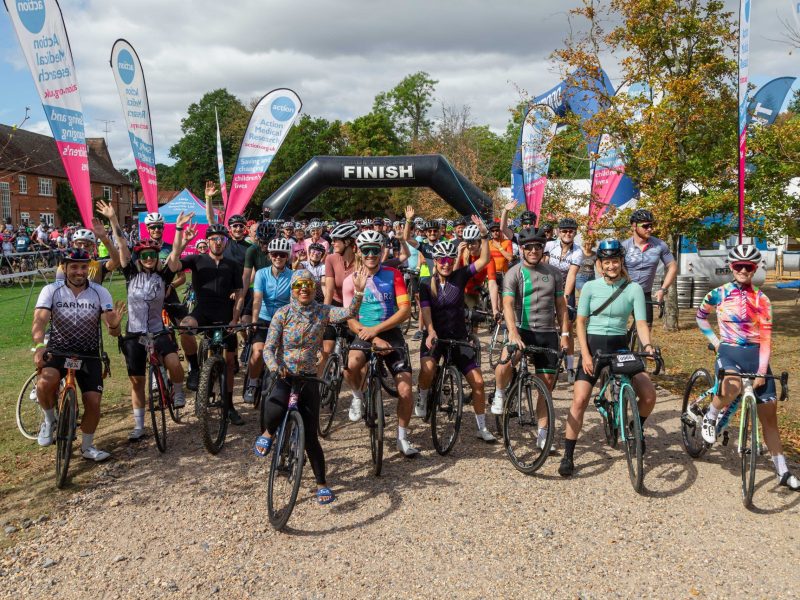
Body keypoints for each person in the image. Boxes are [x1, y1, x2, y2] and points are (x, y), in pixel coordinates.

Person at [253, 268, 368, 504]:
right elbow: (269, 348)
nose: (303, 289)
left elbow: (349, 313)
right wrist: (275, 367)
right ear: (293, 290)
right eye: (298, 285)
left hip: (308, 378)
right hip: (285, 374)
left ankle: (321, 484)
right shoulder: (282, 314)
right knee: (273, 411)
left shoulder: (323, 312)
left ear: (314, 288)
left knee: (312, 437)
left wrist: (358, 291)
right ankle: (268, 433)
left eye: (308, 284)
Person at [695, 244, 799, 490]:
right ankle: (710, 416)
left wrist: (762, 372)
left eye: (748, 267)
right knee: (730, 387)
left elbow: (766, 338)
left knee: (770, 418)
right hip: (729, 351)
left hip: (756, 356)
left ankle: (782, 471)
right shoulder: (717, 293)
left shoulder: (762, 299)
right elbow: (701, 317)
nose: (743, 270)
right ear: (731, 267)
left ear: (754, 269)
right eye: (738, 266)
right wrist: (716, 342)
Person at [560, 239, 656, 477]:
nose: (611, 266)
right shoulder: (591, 287)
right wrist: (585, 355)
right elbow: (580, 323)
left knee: (649, 394)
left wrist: (648, 345)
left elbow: (641, 323)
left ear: (621, 262)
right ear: (600, 264)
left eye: (615, 261)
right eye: (606, 262)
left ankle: (636, 429)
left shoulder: (633, 289)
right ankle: (568, 455)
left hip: (621, 348)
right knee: (580, 400)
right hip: (594, 348)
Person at [31, 249, 126, 460]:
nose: (79, 271)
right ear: (64, 268)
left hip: (89, 354)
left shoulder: (100, 292)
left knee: (93, 402)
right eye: (74, 266)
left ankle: (87, 447)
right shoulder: (51, 290)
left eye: (83, 266)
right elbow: (40, 320)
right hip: (57, 349)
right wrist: (39, 346)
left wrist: (115, 327)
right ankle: (49, 421)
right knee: (45, 383)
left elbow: (111, 328)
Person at [415, 218, 497, 442]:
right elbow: (425, 310)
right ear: (435, 261)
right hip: (436, 336)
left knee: (478, 383)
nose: (445, 263)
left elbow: (484, 259)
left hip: (459, 337)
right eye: (441, 260)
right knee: (428, 368)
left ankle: (482, 427)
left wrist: (484, 235)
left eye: (449, 260)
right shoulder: (425, 284)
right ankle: (422, 396)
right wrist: (430, 331)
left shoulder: (459, 277)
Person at [491, 227, 569, 454]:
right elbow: (507, 304)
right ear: (522, 249)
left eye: (538, 246)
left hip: (547, 333)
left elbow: (561, 307)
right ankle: (499, 392)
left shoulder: (554, 273)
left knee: (545, 388)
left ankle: (543, 436)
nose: (534, 250)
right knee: (505, 361)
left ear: (543, 248)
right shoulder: (514, 272)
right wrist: (513, 333)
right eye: (529, 247)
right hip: (523, 330)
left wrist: (565, 335)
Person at [118, 213, 194, 440]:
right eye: (145, 255)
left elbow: (176, 253)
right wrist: (114, 220)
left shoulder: (163, 275)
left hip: (157, 330)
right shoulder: (130, 274)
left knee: (172, 361)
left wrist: (179, 229)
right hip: (134, 333)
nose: (150, 258)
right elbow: (121, 246)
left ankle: (178, 391)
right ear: (139, 258)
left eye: (152, 255)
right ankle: (139, 426)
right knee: (137, 381)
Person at [342, 230, 418, 456]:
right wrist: (373, 335)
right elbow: (349, 318)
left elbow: (405, 311)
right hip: (364, 332)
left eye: (375, 250)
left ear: (381, 250)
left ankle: (402, 438)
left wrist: (378, 330)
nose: (371, 254)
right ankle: (358, 395)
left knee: (405, 389)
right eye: (367, 250)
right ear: (359, 251)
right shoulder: (351, 280)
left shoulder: (394, 274)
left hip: (390, 331)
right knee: (351, 365)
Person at [178, 224, 246, 425]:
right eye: (214, 239)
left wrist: (235, 319)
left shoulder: (233, 264)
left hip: (225, 313)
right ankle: (194, 368)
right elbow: (173, 265)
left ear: (226, 242)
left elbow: (240, 294)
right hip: (203, 311)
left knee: (230, 362)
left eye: (222, 239)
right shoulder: (196, 259)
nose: (218, 242)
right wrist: (183, 242)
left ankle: (230, 405)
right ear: (207, 241)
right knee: (184, 327)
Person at [243, 237, 293, 403]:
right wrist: (255, 321)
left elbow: (294, 303)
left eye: (282, 255)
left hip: (282, 320)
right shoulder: (261, 274)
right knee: (258, 352)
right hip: (263, 318)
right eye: (274, 254)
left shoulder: (293, 276)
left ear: (287, 257)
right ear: (269, 256)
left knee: (284, 355)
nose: (278, 257)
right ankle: (252, 382)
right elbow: (257, 298)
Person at [544, 217, 584, 382]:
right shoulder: (549, 246)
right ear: (558, 232)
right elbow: (544, 267)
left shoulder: (578, 251)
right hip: (548, 286)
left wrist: (565, 298)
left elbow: (572, 275)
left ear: (575, 232)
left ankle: (570, 367)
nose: (567, 233)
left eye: (571, 231)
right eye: (564, 231)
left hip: (566, 288)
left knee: (567, 327)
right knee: (547, 325)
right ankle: (548, 361)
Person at [622, 209, 678, 325]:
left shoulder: (660, 245)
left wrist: (663, 289)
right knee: (618, 328)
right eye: (646, 226)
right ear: (634, 226)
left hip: (644, 293)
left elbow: (672, 266)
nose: (650, 229)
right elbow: (603, 263)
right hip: (623, 291)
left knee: (646, 327)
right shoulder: (624, 246)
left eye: (651, 225)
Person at [321, 222, 359, 367]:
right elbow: (329, 290)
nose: (333, 243)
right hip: (336, 306)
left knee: (354, 353)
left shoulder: (361, 261)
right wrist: (324, 313)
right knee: (327, 348)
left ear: (348, 241)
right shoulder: (330, 258)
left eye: (336, 239)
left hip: (355, 307)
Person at [456, 224, 500, 315]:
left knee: (474, 319)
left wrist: (495, 309)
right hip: (460, 291)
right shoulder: (463, 254)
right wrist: (458, 255)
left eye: (473, 243)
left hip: (474, 292)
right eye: (468, 243)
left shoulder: (488, 258)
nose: (470, 246)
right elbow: (453, 275)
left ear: (480, 242)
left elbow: (492, 284)